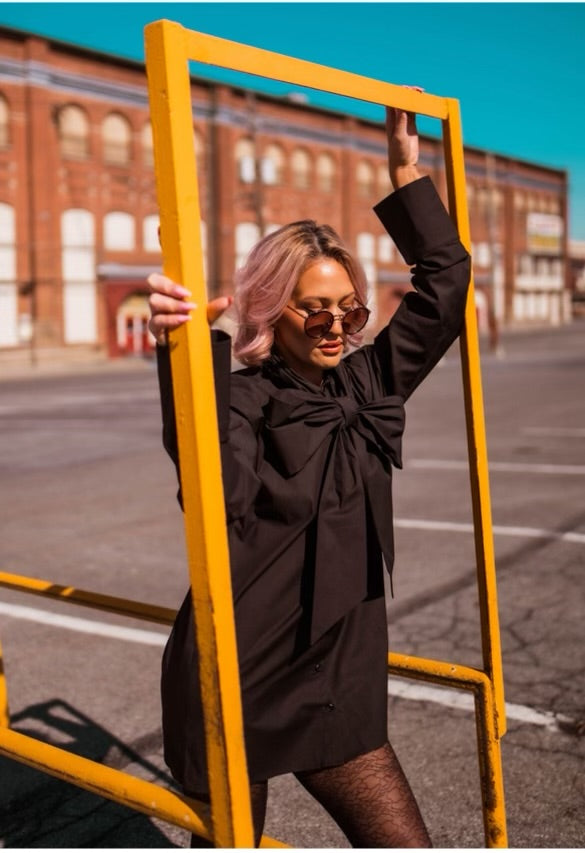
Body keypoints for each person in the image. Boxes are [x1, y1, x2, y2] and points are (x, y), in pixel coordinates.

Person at [148, 104, 471, 848]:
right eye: (315, 309)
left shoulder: (370, 382)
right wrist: (194, 353)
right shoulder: (241, 395)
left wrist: (404, 173)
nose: (336, 325)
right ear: (271, 306)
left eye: (348, 309)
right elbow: (214, 496)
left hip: (335, 681)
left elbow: (445, 284)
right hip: (238, 674)